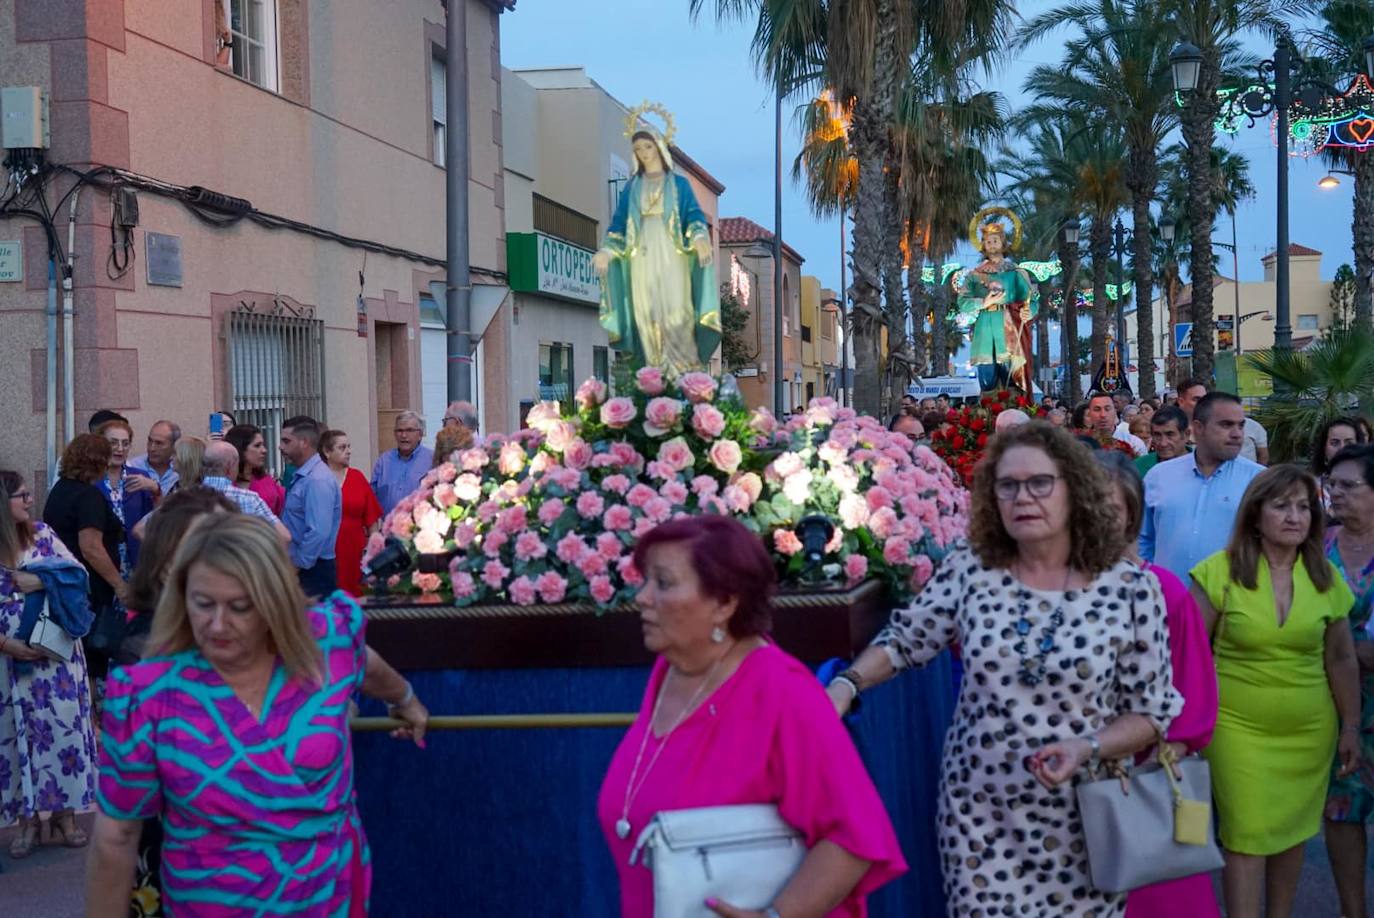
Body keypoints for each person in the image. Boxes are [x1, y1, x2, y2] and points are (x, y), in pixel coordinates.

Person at [828, 422, 1181, 915]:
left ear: (1073, 488)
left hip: (1085, 816)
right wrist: (847, 683)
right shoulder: (972, 569)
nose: (1023, 497)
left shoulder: (1131, 589)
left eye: (1040, 483)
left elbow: (1152, 712)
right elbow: (907, 639)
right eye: (1008, 485)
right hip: (980, 814)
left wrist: (1087, 746)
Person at [86, 515, 429, 915]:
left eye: (239, 606)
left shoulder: (328, 636)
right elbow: (116, 837)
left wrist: (405, 699)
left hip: (327, 895)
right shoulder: (150, 695)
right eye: (203, 603)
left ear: (275, 601)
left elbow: (362, 663)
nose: (217, 625)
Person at [597, 515, 905, 917]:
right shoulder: (672, 672)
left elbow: (855, 836)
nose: (642, 597)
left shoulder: (782, 692)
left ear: (725, 602)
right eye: (645, 582)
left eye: (664, 583)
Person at [1190, 465, 1360, 918]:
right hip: (1235, 727)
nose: (1294, 516)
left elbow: (1341, 658)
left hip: (1309, 731)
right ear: (1255, 514)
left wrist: (1351, 726)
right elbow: (1190, 656)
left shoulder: (1324, 576)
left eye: (1304, 507)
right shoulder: (1217, 573)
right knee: (1245, 834)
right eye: (1281, 505)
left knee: (1292, 832)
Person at [1093, 453, 1220, 918]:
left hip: (1142, 782)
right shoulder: (1042, 589)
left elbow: (1193, 691)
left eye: (1110, 506)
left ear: (1132, 514)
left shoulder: (1164, 590)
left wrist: (1162, 761)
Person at [0, 471, 98, 858]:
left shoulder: (42, 534)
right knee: (15, 736)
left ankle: (65, 814)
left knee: (63, 731)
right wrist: (8, 644)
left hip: (55, 656)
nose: (29, 500)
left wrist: (40, 581)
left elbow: (79, 576)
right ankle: (26, 821)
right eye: (21, 495)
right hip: (8, 662)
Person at [592, 123, 720, 377]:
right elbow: (618, 225)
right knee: (646, 316)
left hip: (673, 256)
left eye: (648, 146)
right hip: (641, 259)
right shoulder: (632, 187)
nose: (644, 152)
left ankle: (681, 377)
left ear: (659, 149)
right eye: (638, 148)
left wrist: (699, 238)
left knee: (676, 314)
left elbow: (694, 216)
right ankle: (651, 375)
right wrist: (606, 250)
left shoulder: (679, 186)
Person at [1321, 444, 1374, 918]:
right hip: (1334, 704)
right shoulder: (1319, 549)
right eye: (1331, 483)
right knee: (1341, 810)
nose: (1335, 493)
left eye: (1348, 486)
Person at [1140, 392, 1264, 582]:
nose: (1237, 434)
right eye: (1226, 425)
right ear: (1198, 428)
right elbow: (1141, 539)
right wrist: (1149, 581)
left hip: (1232, 603)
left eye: (1241, 425)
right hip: (1167, 602)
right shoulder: (1159, 476)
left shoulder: (1258, 480)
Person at [43, 435, 126, 674]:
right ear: (98, 462)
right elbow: (91, 547)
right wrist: (119, 585)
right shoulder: (88, 496)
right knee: (94, 654)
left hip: (67, 582)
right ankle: (92, 709)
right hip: (90, 586)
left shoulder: (60, 489)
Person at [955, 217, 1037, 392]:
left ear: (1003, 243)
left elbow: (1031, 298)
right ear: (983, 245)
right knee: (987, 377)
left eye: (995, 240)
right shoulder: (975, 275)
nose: (991, 244)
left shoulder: (1014, 272)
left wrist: (1028, 311)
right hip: (984, 330)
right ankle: (987, 410)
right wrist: (983, 302)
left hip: (1008, 328)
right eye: (987, 241)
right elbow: (962, 302)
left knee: (1011, 378)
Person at [279, 417, 341, 598]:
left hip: (312, 571)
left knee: (312, 625)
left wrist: (297, 565)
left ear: (304, 442)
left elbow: (318, 531)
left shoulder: (317, 480)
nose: (281, 447)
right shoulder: (305, 475)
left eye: (286, 441)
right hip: (308, 568)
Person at [320, 430, 382, 598]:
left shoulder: (357, 477)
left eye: (349, 447)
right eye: (342, 447)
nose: (348, 451)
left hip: (355, 550)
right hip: (327, 550)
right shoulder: (318, 480)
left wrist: (373, 552)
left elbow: (372, 521)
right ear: (327, 452)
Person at [97, 418, 159, 574]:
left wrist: (155, 489)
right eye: (113, 443)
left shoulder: (141, 476)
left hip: (136, 561)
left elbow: (160, 518)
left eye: (125, 443)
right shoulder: (90, 479)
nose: (120, 449)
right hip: (103, 562)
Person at [200, 442, 291, 538]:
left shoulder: (187, 498)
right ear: (230, 467)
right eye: (237, 465)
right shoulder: (249, 499)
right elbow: (284, 536)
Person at [370, 410, 434, 516]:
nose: (404, 435)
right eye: (399, 431)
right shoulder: (384, 461)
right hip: (388, 528)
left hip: (421, 529)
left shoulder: (432, 460)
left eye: (409, 430)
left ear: (420, 434)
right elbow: (371, 497)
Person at [224, 423, 286, 516]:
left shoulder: (266, 480)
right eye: (257, 446)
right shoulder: (224, 483)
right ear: (240, 449)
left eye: (263, 445)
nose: (264, 450)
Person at [1312, 417, 1366, 511]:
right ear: (1324, 449)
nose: (1342, 449)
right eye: (1335, 443)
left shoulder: (1369, 486)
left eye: (1349, 443)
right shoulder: (1310, 488)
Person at [127, 421, 181, 495]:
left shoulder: (181, 470)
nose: (152, 448)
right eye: (150, 441)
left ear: (173, 446)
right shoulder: (133, 466)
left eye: (159, 443)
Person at [1135, 405, 1190, 477]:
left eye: (1170, 435)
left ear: (1186, 435)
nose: (1163, 443)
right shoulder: (1137, 467)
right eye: (1157, 435)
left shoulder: (1203, 465)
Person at [1086, 391, 1147, 455]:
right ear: (1089, 414)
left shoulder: (1134, 443)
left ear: (1115, 411)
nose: (1103, 415)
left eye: (1107, 409)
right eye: (1097, 409)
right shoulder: (1081, 444)